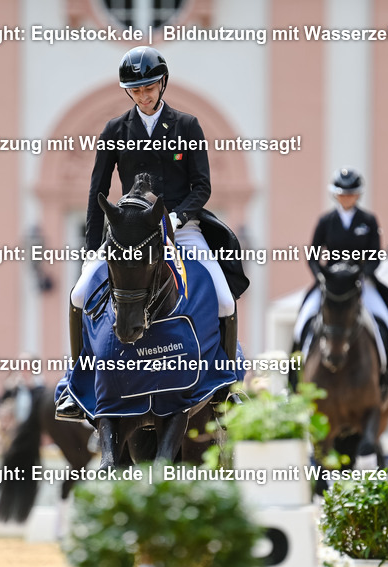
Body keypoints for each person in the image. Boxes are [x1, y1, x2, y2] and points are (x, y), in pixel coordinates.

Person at [55, 45, 248, 420]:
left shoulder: (186, 125)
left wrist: (178, 218)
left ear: (162, 84)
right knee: (79, 293)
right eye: (136, 90)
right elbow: (97, 191)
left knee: (224, 299)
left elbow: (201, 186)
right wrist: (93, 249)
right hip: (131, 235)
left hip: (181, 230)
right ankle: (75, 385)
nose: (144, 95)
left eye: (149, 87)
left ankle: (227, 386)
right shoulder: (115, 130)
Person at [292, 168, 388, 413]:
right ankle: (292, 387)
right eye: (343, 194)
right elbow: (314, 255)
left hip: (360, 285)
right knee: (302, 324)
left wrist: (362, 276)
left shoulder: (368, 221)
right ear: (336, 195)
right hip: (331, 286)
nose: (347, 198)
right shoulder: (326, 221)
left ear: (357, 195)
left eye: (351, 194)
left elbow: (374, 256)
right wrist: (321, 276)